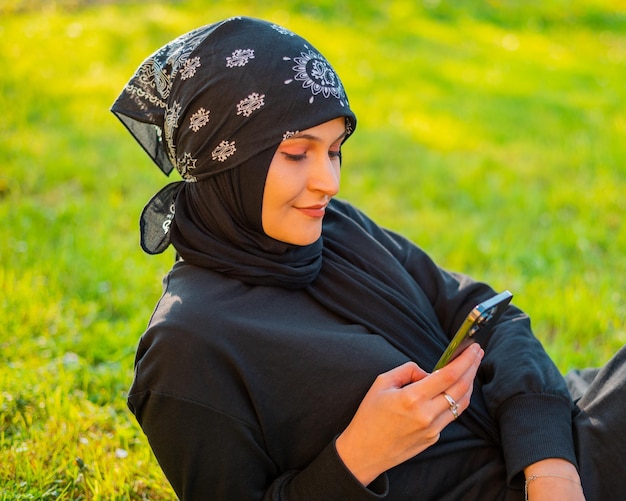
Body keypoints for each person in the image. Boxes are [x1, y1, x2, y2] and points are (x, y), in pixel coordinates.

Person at [111, 16, 625, 501]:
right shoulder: (187, 347)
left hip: (555, 442)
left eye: (334, 151)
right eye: (296, 153)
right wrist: (360, 454)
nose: (328, 182)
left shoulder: (333, 228)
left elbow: (490, 314)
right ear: (221, 158)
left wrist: (550, 466)